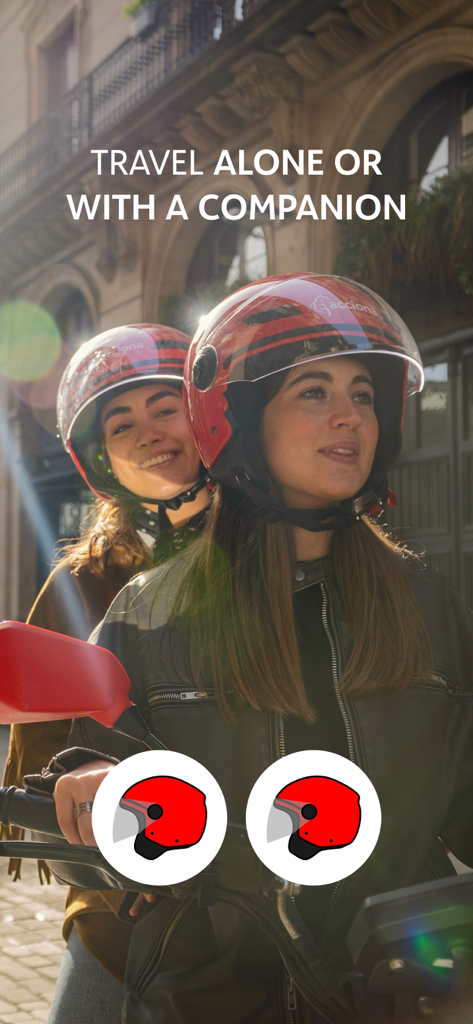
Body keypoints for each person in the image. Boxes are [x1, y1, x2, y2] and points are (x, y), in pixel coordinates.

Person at [47, 276, 473, 1024]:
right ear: (236, 420)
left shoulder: (424, 600)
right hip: (217, 996)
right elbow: (90, 848)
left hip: (406, 990)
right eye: (313, 390)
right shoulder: (148, 613)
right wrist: (93, 785)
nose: (348, 416)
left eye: (364, 394)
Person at [1, 322, 211, 1023]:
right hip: (127, 892)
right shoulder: (87, 579)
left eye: (165, 407)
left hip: (268, 872)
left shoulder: (277, 546)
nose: (148, 433)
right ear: (102, 459)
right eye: (122, 424)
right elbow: (43, 761)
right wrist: (92, 801)